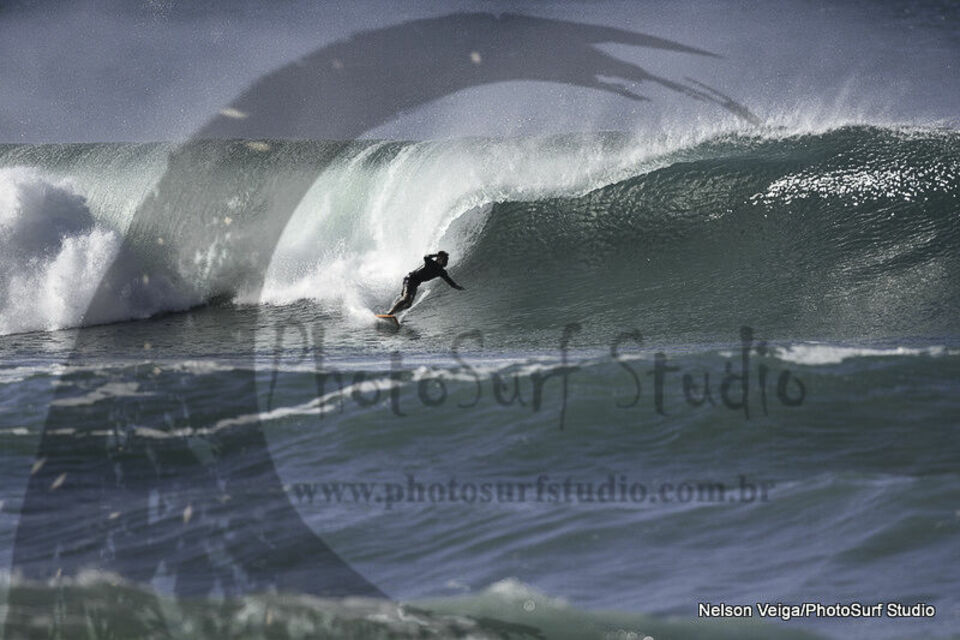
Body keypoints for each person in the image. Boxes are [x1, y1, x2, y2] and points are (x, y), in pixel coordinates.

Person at [386, 251, 465, 315]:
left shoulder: (441, 272)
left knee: (408, 304)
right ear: (439, 258)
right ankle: (390, 313)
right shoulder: (430, 262)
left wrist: (460, 288)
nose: (445, 261)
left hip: (416, 283)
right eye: (443, 259)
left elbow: (451, 283)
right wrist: (437, 254)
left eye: (446, 260)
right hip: (410, 279)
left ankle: (392, 312)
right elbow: (426, 256)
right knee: (406, 298)